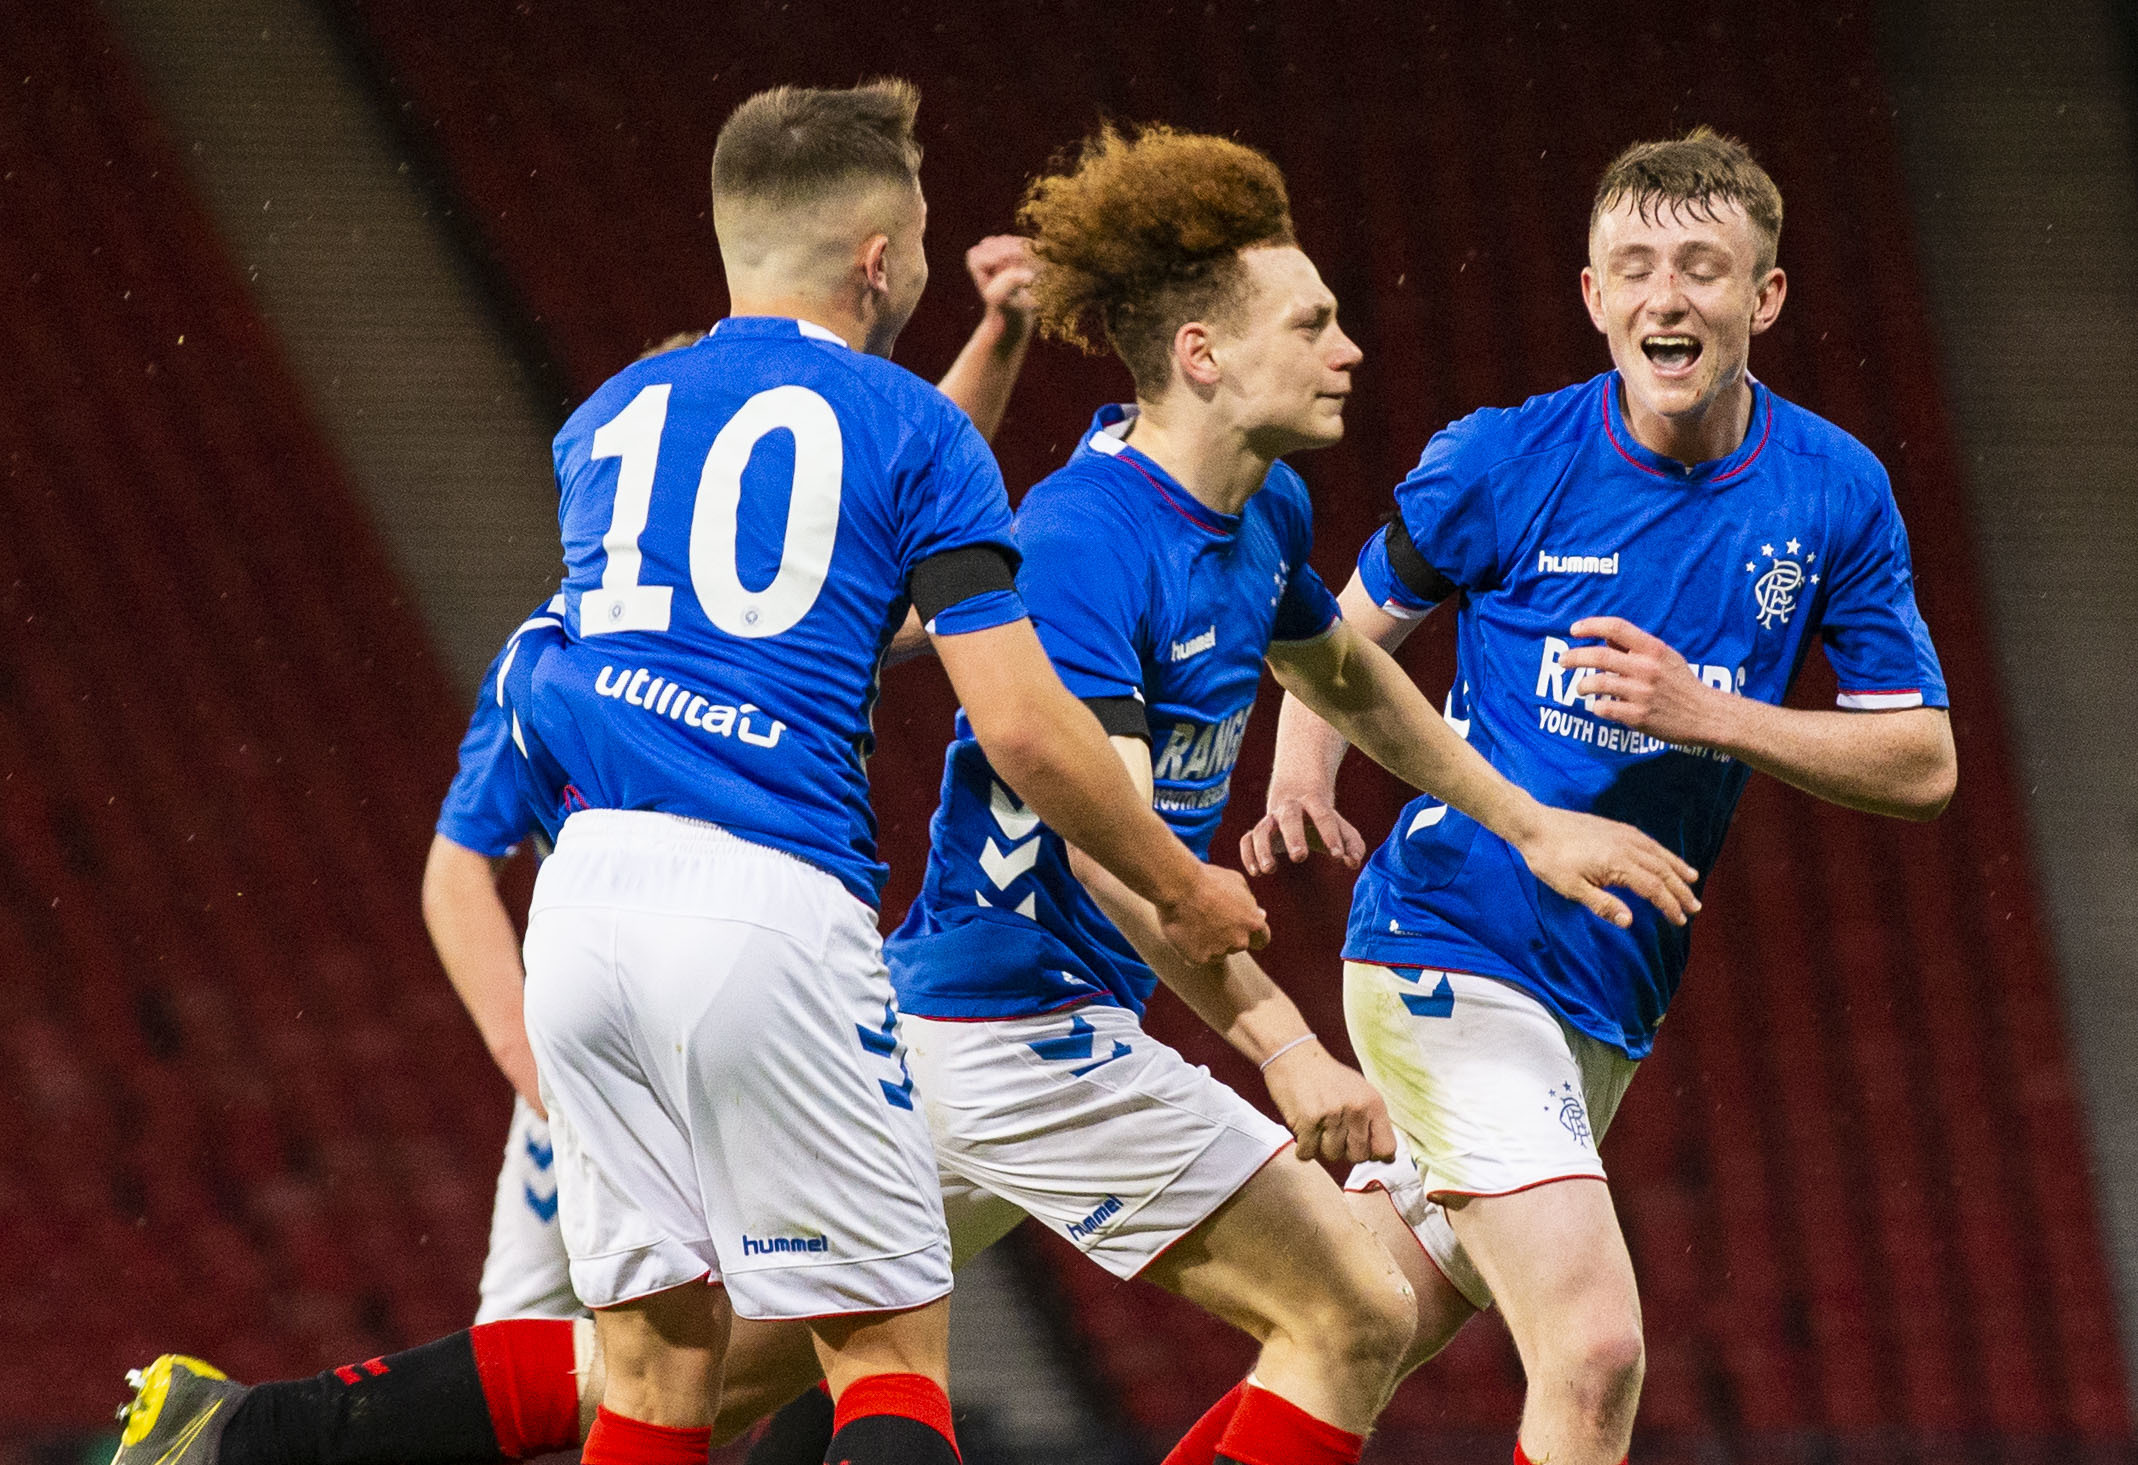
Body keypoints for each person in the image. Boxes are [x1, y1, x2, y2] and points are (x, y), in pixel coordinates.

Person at [110, 77, 1269, 1465]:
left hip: (587, 910)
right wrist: (1176, 884)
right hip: (766, 895)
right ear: (880, 258)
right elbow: (1016, 719)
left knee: (658, 1369)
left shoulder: (605, 420)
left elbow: (825, 523)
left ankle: (252, 1443)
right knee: (885, 1350)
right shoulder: (914, 434)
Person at [1200, 127, 1956, 1465]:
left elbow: (1922, 762)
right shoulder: (1506, 458)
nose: (1667, 296)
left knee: (1358, 1320)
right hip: (1450, 941)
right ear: (1593, 296)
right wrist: (1300, 772)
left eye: (1703, 269)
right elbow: (1341, 635)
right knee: (1595, 1345)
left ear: (1762, 298)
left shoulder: (1834, 490)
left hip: (1604, 986)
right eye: (1635, 267)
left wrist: (1709, 714)